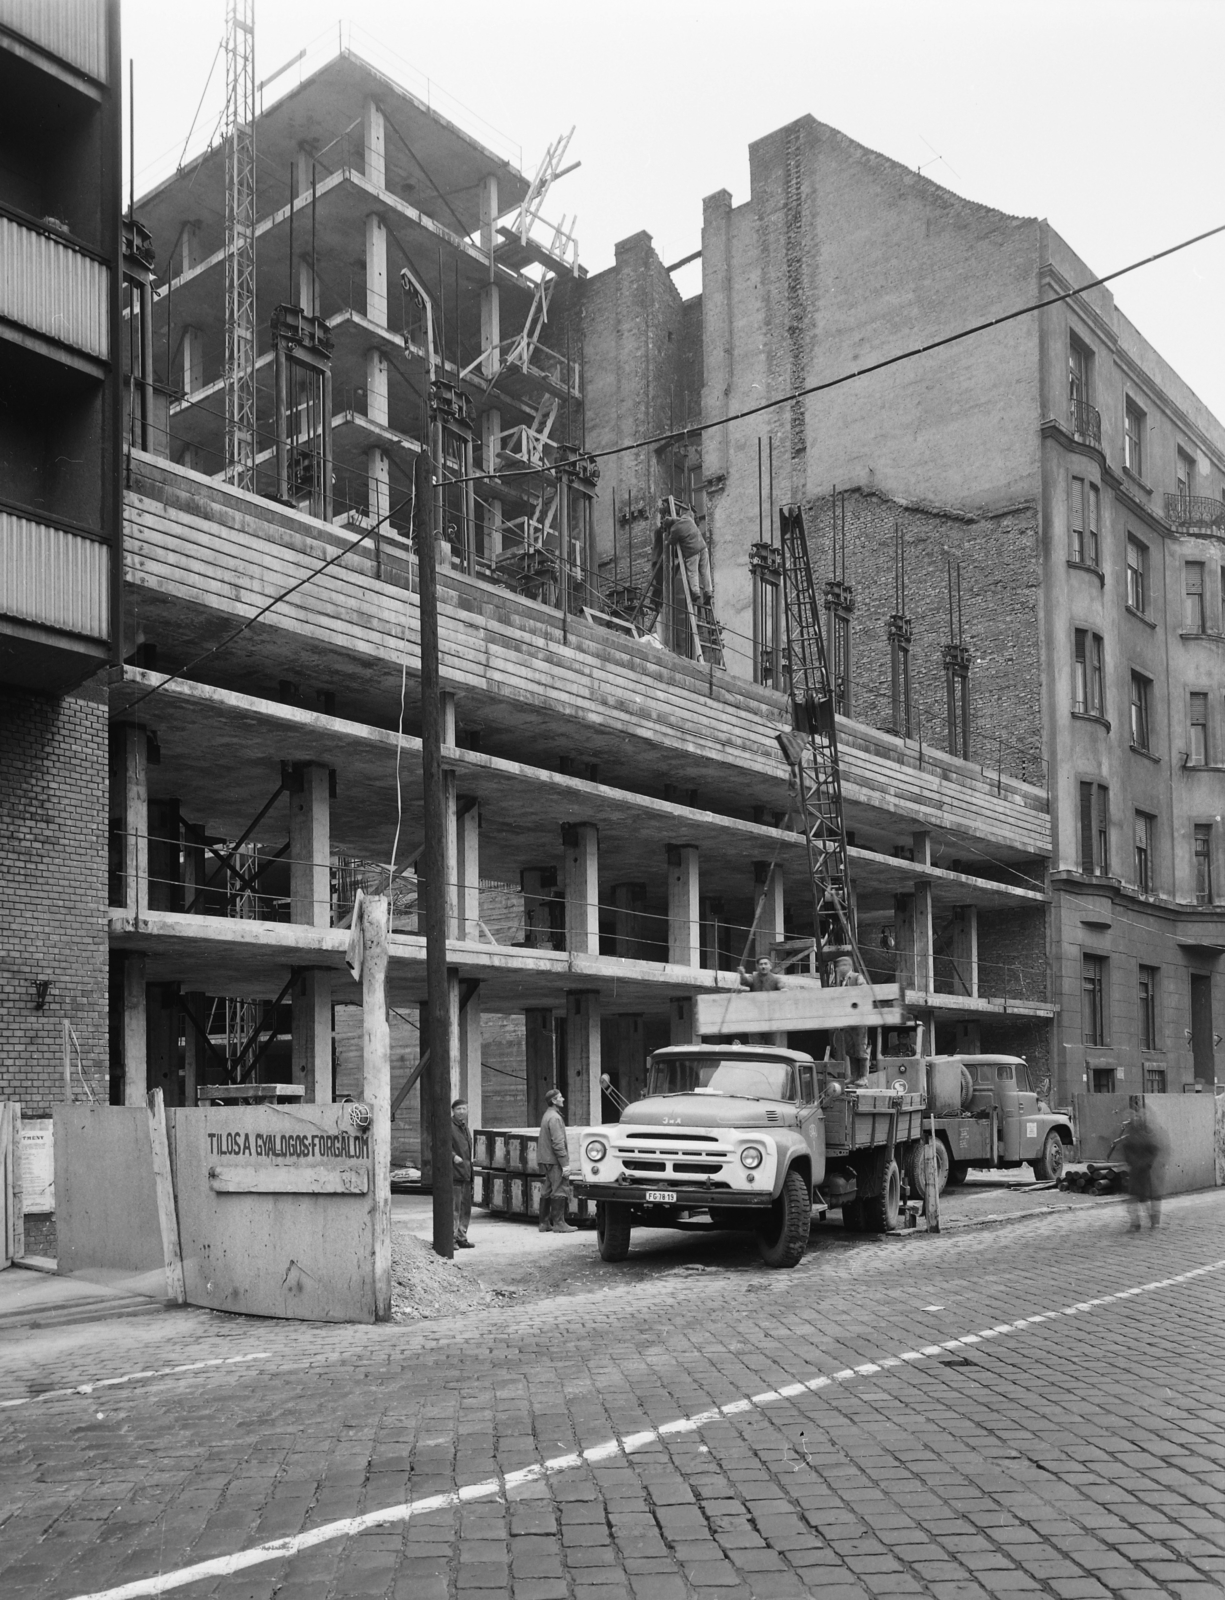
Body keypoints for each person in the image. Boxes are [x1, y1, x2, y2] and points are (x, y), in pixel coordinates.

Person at [1109, 1108, 1165, 1231]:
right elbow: (1126, 1149)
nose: (1134, 1119)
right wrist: (1131, 1161)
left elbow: (1154, 1149)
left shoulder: (1148, 1132)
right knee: (1134, 1197)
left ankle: (1154, 1222)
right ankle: (1135, 1224)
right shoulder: (1130, 1133)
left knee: (1148, 1198)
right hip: (1135, 1169)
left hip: (1147, 1170)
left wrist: (1146, 1163)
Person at [538, 1087, 576, 1234]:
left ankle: (544, 1223)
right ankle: (559, 1223)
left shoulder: (547, 1115)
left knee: (547, 1189)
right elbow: (558, 1143)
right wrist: (565, 1164)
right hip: (554, 1161)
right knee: (560, 1188)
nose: (563, 1099)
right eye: (560, 1097)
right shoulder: (555, 1118)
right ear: (554, 1100)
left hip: (545, 1159)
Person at [662, 505, 713, 605]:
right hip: (703, 548)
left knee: (692, 572)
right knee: (705, 572)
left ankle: (695, 592)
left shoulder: (674, 529)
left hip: (692, 551)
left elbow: (672, 542)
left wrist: (666, 542)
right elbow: (690, 513)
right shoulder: (688, 519)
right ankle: (708, 591)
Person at [451, 1098, 475, 1248]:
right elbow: (438, 1144)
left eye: (464, 1109)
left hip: (466, 1173)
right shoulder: (448, 1126)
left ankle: (461, 1236)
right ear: (453, 1111)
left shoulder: (464, 1127)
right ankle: (451, 1238)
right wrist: (453, 1157)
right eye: (458, 1109)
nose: (461, 1112)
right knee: (454, 1207)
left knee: (465, 1208)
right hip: (455, 1173)